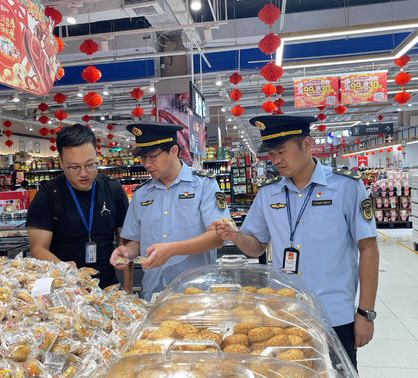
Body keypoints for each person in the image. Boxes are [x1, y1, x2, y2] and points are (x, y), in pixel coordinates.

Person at [213, 115, 379, 370]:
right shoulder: (269, 192)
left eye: (281, 151)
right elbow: (255, 246)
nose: (275, 160)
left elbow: (368, 249)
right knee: (288, 372)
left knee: (336, 372)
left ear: (307, 144)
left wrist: (365, 313)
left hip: (334, 316)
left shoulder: (345, 186)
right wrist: (235, 236)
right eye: (270, 153)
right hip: (284, 314)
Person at [110, 122, 231, 301]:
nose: (147, 164)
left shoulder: (204, 185)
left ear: (174, 151)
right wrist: (126, 252)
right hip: (153, 294)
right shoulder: (141, 194)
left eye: (152, 156)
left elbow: (217, 237)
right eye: (142, 158)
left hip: (196, 294)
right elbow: (135, 241)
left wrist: (172, 250)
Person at [26, 124, 132, 291]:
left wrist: (127, 291)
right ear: (61, 161)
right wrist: (64, 268)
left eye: (90, 164)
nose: (84, 173)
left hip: (108, 291)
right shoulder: (48, 194)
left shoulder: (113, 189)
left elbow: (124, 244)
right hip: (65, 292)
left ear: (97, 155)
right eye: (74, 167)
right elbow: (38, 249)